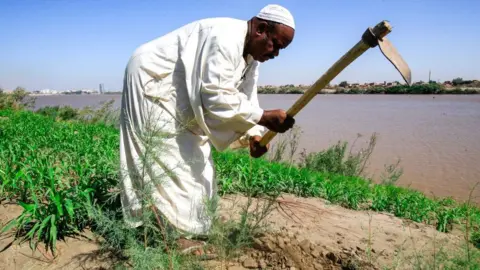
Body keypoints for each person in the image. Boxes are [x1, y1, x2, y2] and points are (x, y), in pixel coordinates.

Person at [119, 4, 296, 250]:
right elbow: (215, 97)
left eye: (281, 49)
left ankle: (190, 223)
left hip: (180, 89)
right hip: (151, 77)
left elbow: (246, 98)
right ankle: (159, 231)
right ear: (261, 29)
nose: (276, 53)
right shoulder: (224, 37)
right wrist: (264, 117)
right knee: (161, 153)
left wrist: (254, 136)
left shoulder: (252, 58)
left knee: (194, 155)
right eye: (275, 44)